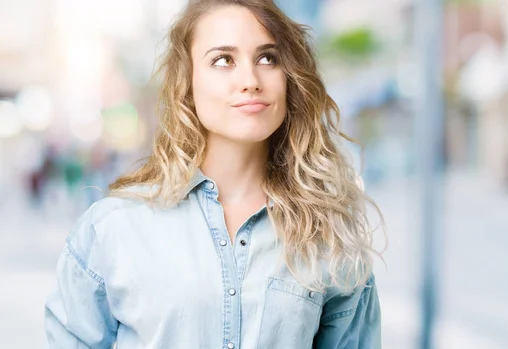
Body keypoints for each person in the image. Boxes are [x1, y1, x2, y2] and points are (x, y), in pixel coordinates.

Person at [44, 0, 386, 348]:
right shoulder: (113, 228)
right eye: (223, 60)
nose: (250, 80)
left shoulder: (327, 235)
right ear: (187, 82)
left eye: (268, 58)